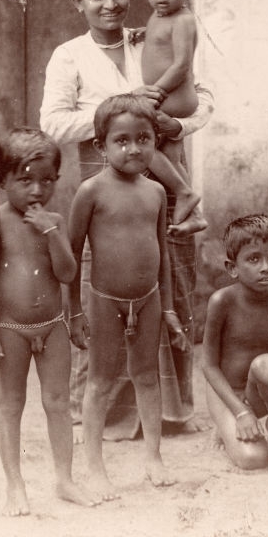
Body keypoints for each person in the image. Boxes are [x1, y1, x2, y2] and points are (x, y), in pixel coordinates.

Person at [39, 0, 213, 436]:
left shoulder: (153, 36)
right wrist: (116, 114)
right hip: (106, 193)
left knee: (169, 282)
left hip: (164, 184)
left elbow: (203, 97)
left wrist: (175, 122)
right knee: (109, 288)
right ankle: (105, 413)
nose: (111, 4)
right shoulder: (70, 55)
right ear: (79, 2)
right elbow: (51, 123)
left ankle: (169, 412)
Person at [67, 94, 174, 499]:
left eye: (143, 138)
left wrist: (167, 307)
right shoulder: (90, 192)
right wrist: (74, 311)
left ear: (155, 141)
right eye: (122, 140)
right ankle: (95, 467)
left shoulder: (157, 193)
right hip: (104, 298)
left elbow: (160, 249)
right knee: (100, 381)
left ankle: (154, 457)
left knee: (147, 376)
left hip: (147, 299)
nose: (134, 148)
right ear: (101, 146)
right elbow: (72, 254)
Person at [0, 128, 97, 516]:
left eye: (47, 180)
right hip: (11, 328)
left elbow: (67, 274)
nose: (37, 190)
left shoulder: (54, 220)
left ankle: (65, 479)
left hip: (52, 325)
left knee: (58, 403)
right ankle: (14, 485)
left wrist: (51, 232)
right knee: (10, 404)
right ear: (2, 180)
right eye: (25, 180)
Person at [203, 214, 268, 469]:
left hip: (261, 389)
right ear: (232, 267)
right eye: (253, 259)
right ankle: (227, 424)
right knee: (253, 459)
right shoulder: (221, 302)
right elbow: (209, 367)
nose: (266, 266)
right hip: (225, 392)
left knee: (267, 364)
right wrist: (241, 412)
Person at [139, 0, 207, 233]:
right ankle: (194, 214)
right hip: (171, 99)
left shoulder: (184, 20)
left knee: (145, 145)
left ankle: (184, 194)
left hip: (174, 99)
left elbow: (181, 65)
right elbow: (159, 41)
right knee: (170, 158)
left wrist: (157, 93)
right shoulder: (159, 16)